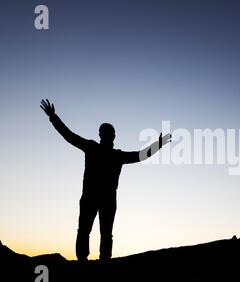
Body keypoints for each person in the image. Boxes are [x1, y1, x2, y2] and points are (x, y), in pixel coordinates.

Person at [40, 99, 171, 261]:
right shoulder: (110, 153)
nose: (111, 135)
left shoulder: (98, 149)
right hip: (100, 198)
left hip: (96, 197)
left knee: (91, 232)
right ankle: (98, 261)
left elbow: (69, 136)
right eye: (110, 133)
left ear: (103, 135)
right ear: (109, 135)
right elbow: (141, 155)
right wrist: (53, 117)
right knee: (98, 233)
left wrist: (53, 117)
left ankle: (90, 261)